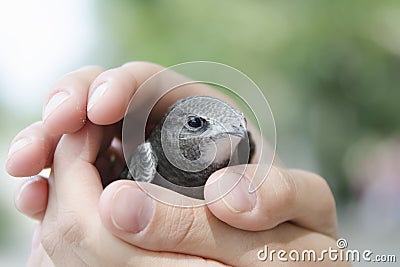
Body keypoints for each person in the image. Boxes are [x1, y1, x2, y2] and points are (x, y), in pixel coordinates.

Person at [6, 62, 347, 266]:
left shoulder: (242, 168)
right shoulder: (146, 158)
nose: (230, 137)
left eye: (239, 132)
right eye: (197, 124)